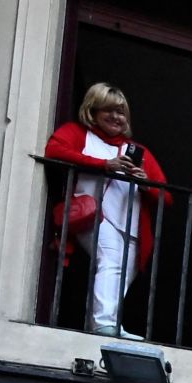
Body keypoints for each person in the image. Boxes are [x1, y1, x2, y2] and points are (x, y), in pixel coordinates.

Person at [43, 83, 169, 338]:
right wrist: (104, 165)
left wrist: (144, 182)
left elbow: (166, 196)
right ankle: (102, 324)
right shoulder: (78, 134)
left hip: (131, 225)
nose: (116, 117)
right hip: (94, 215)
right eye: (108, 110)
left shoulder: (137, 151)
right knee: (111, 260)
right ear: (92, 111)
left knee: (122, 273)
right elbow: (54, 151)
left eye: (121, 112)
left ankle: (108, 323)